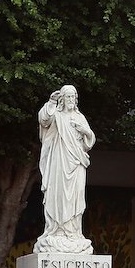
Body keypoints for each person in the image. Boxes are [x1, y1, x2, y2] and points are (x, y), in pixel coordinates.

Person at [35, 84, 96, 253]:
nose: (71, 100)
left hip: (77, 163)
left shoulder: (80, 117)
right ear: (62, 99)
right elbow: (44, 119)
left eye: (73, 97)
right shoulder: (56, 115)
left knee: (76, 197)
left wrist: (85, 131)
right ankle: (56, 230)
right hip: (59, 162)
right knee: (58, 195)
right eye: (68, 96)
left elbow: (89, 142)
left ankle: (74, 232)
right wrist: (51, 102)